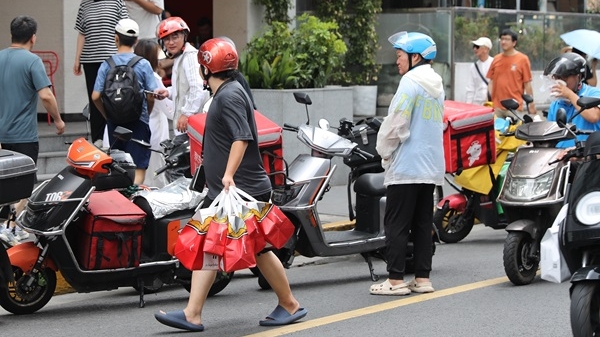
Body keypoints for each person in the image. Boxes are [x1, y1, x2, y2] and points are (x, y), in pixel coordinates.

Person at [154, 38, 307, 332]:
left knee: (253, 250)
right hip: (230, 192)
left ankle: (287, 304)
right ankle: (194, 313)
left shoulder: (229, 96)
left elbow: (242, 137)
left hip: (239, 190)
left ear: (204, 68)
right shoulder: (228, 92)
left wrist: (227, 174)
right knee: (223, 248)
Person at [370, 31, 444, 296]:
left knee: (397, 223)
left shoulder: (410, 81)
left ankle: (395, 280)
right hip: (430, 166)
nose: (397, 61)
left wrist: (384, 151)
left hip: (407, 166)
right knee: (423, 223)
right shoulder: (436, 82)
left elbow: (397, 122)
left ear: (415, 57)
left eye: (400, 56)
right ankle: (423, 279)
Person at [0, 15, 66, 244]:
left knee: (4, 183)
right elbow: (46, 95)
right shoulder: (31, 61)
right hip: (23, 135)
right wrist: (58, 120)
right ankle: (10, 227)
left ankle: (6, 225)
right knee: (24, 186)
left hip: (2, 134)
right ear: (33, 37)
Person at [91, 19, 159, 185]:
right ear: (136, 41)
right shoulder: (143, 64)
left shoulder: (106, 64)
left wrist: (107, 115)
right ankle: (133, 201)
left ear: (116, 38)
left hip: (115, 124)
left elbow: (95, 96)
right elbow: (151, 95)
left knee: (118, 167)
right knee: (138, 168)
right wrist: (146, 112)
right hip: (138, 122)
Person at [74, 0, 127, 147]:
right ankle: (98, 138)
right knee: (94, 99)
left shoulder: (117, 2)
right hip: (90, 60)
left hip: (112, 59)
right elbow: (82, 33)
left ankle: (115, 135)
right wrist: (77, 58)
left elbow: (125, 30)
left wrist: (125, 56)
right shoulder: (85, 4)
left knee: (114, 97)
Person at [156, 17, 209, 135]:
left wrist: (187, 114)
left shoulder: (189, 57)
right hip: (185, 126)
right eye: (166, 39)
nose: (170, 42)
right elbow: (184, 87)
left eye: (175, 37)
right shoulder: (180, 56)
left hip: (192, 126)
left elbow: (197, 88)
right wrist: (168, 92)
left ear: (184, 36)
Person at [134, 39, 173, 187]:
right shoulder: (154, 78)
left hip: (138, 126)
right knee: (156, 173)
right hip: (155, 129)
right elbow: (168, 111)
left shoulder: (134, 74)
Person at [545, 52, 600, 148]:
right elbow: (549, 134)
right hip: (560, 157)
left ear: (579, 76)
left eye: (564, 78)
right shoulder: (556, 103)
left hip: (586, 157)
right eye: (557, 78)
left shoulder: (593, 93)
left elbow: (593, 116)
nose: (560, 82)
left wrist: (570, 94)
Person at [487, 29, 537, 118]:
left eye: (506, 39)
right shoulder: (496, 59)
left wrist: (531, 104)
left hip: (514, 107)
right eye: (501, 39)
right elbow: (491, 81)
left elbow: (527, 83)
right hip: (496, 107)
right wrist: (489, 100)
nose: (503, 42)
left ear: (514, 42)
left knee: (514, 131)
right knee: (496, 131)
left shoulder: (523, 59)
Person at [465, 37, 493, 106]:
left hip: (491, 102)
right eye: (474, 47)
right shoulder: (473, 66)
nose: (475, 49)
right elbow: (470, 87)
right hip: (477, 103)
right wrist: (468, 105)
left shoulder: (494, 63)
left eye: (477, 47)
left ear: (486, 49)